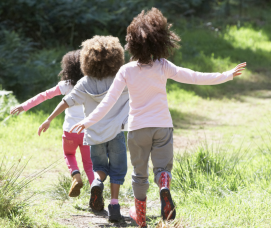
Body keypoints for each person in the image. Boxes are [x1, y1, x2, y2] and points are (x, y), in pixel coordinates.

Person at [70, 8, 246, 227]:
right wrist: (227, 75)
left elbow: (108, 102)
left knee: (139, 174)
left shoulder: (126, 70)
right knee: (162, 168)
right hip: (162, 126)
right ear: (160, 41)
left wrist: (88, 121)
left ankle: (140, 216)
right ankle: (164, 184)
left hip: (137, 130)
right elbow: (194, 77)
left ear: (131, 43)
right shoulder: (163, 66)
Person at [37, 36, 129, 222]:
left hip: (94, 135)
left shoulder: (85, 83)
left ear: (87, 59)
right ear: (116, 57)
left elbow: (65, 102)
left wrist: (48, 119)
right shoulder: (120, 80)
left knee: (100, 168)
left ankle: (96, 183)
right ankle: (114, 207)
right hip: (116, 133)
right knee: (117, 170)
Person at [10, 50, 94, 197]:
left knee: (69, 154)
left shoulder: (67, 85)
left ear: (68, 68)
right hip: (87, 131)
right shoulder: (91, 84)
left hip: (70, 131)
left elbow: (44, 96)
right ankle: (96, 192)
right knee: (89, 164)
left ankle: (76, 176)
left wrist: (24, 106)